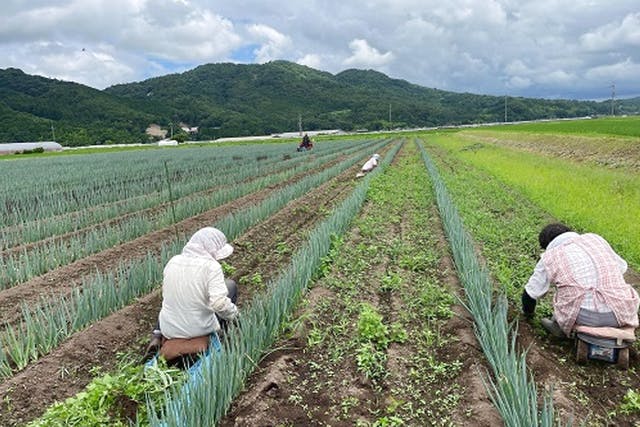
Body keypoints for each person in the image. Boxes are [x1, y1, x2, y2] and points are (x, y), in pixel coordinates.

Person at [521, 223, 639, 338]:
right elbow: (621, 268)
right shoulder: (595, 239)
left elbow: (531, 293)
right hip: (623, 309)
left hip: (584, 316)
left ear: (547, 245)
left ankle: (559, 328)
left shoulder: (550, 255)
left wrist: (528, 315)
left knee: (562, 293)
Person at [144, 227, 239, 363]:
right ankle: (220, 337)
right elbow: (219, 303)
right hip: (198, 329)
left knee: (172, 300)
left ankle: (157, 336)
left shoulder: (173, 261)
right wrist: (236, 316)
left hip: (169, 329)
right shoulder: (212, 267)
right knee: (230, 287)